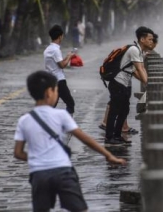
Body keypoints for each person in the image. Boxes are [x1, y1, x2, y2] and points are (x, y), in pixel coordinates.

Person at [14, 70, 126, 212]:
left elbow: (18, 153)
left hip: (39, 175)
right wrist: (109, 155)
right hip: (63, 172)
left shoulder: (24, 120)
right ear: (50, 92)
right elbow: (85, 138)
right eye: (56, 90)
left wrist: (38, 158)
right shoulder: (61, 115)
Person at [99, 32, 159, 134]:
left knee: (124, 109)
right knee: (115, 109)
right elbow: (139, 69)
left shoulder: (139, 51)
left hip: (124, 83)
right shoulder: (134, 50)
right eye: (150, 40)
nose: (152, 43)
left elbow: (135, 71)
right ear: (142, 39)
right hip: (118, 82)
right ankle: (110, 136)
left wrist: (146, 82)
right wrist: (148, 85)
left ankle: (118, 134)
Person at [44, 25, 75, 116]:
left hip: (51, 80)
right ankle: (66, 124)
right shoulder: (55, 50)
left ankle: (45, 122)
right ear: (60, 36)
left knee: (52, 104)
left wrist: (66, 57)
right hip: (59, 81)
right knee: (70, 103)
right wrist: (69, 57)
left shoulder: (48, 49)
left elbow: (56, 63)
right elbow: (62, 65)